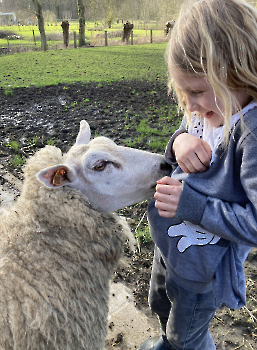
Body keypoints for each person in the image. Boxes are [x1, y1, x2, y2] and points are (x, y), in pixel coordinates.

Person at [137, 0, 257, 349]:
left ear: (238, 71)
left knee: (187, 336)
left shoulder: (250, 133)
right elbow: (178, 150)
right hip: (171, 247)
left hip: (203, 270)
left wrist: (194, 205)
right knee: (160, 304)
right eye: (183, 93)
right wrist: (180, 142)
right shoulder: (211, 108)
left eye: (196, 92)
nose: (189, 106)